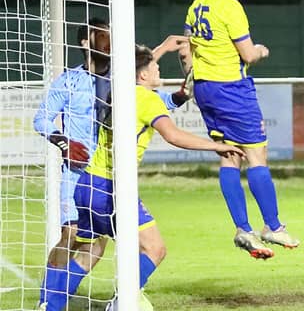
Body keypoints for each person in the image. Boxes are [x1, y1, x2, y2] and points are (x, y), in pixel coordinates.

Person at [38, 44, 244, 311]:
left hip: (87, 183)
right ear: (143, 74)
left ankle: (50, 304)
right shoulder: (147, 99)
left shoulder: (117, 93)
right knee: (155, 249)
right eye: (154, 66)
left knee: (92, 250)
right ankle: (121, 304)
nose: (158, 68)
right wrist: (217, 146)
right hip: (111, 188)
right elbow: (173, 135)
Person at [183, 0, 299, 259]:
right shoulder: (229, 6)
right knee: (256, 154)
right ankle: (272, 226)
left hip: (206, 89)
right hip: (232, 89)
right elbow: (248, 54)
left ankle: (243, 228)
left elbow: (186, 50)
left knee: (228, 156)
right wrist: (262, 50)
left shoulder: (198, 4)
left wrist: (192, 77)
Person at [34, 18, 110, 309]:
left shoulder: (118, 79)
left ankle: (58, 296)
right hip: (76, 174)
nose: (108, 40)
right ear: (85, 43)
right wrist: (63, 142)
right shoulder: (68, 81)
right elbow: (41, 118)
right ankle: (47, 302)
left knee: (98, 244)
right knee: (71, 234)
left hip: (105, 176)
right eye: (101, 35)